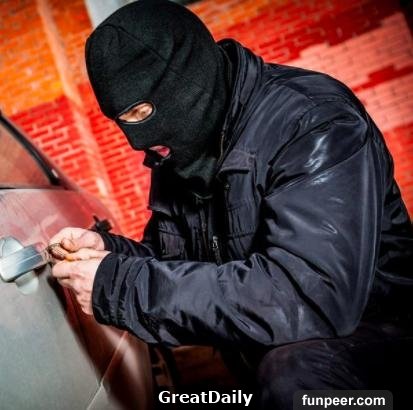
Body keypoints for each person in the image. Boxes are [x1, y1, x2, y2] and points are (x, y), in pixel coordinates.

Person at [50, 0, 413, 408]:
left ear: (187, 80)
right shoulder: (182, 152)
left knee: (297, 376)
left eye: (143, 112)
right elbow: (177, 264)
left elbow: (310, 295)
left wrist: (120, 287)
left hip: (380, 336)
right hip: (272, 348)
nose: (137, 141)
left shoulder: (312, 122)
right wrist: (110, 254)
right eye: (123, 120)